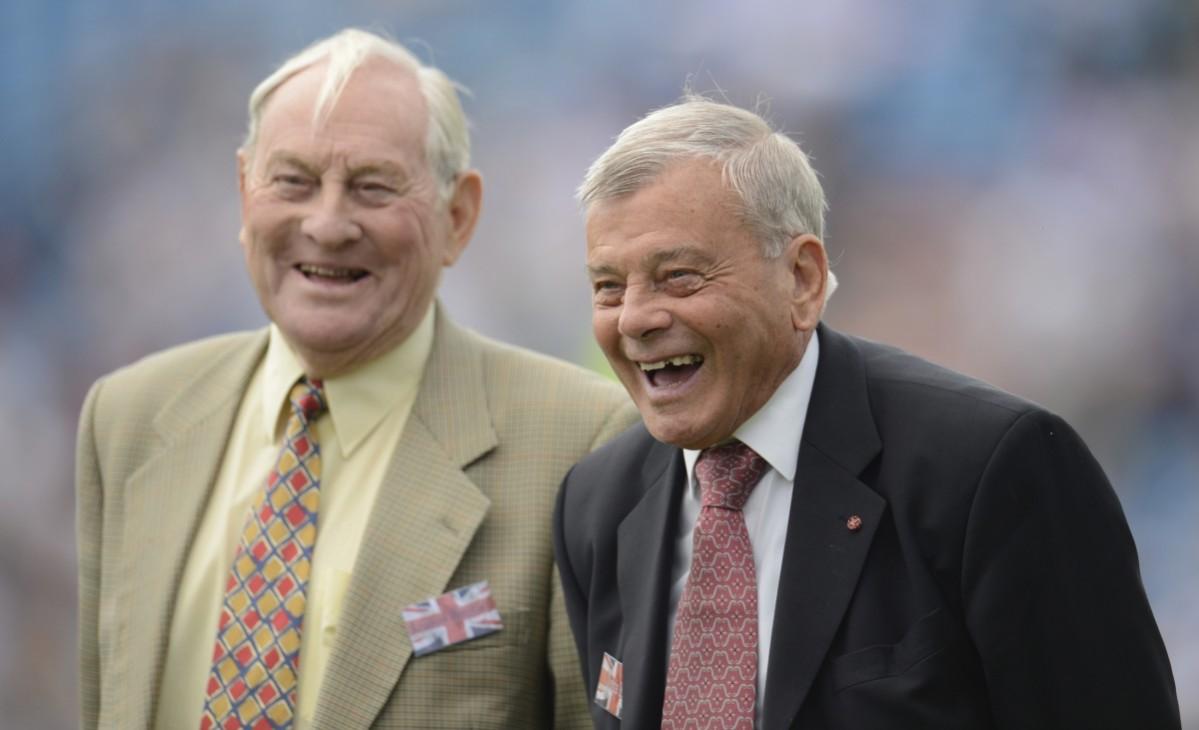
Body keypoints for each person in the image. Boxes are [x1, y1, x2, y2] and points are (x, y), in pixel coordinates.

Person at [553, 96, 1180, 730]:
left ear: (801, 279)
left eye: (679, 276)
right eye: (608, 287)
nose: (634, 318)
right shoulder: (596, 504)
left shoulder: (991, 468)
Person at [75, 28, 637, 730]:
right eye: (293, 182)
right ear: (244, 193)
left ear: (457, 216)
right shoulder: (128, 419)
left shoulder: (581, 444)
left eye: (372, 187)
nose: (328, 223)